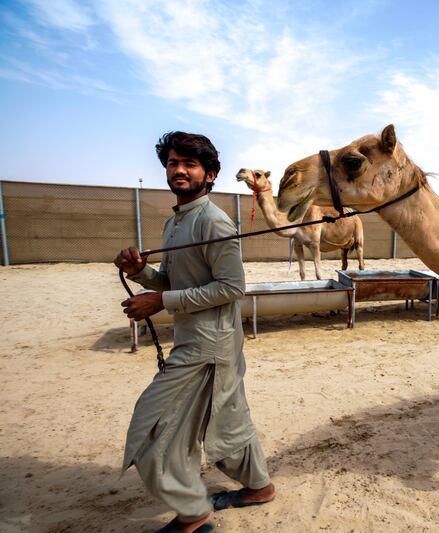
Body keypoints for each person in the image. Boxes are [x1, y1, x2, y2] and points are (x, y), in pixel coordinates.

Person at [114, 132, 274, 533]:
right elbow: (174, 279)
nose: (179, 170)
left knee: (153, 426)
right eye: (172, 163)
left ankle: (192, 512)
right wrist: (140, 274)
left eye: (190, 164)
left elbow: (231, 286)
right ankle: (258, 488)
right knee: (227, 418)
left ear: (210, 174)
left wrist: (161, 303)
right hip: (200, 339)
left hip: (207, 345)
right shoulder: (176, 221)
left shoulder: (213, 221)